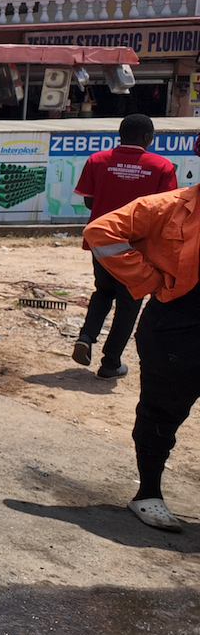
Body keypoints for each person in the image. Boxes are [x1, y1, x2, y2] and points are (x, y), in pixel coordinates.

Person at [82, 154, 200, 532]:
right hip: (176, 327)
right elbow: (100, 232)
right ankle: (148, 494)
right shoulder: (166, 206)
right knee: (162, 412)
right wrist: (148, 281)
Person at [71, 113, 176, 378]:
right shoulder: (162, 166)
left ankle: (86, 336)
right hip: (138, 247)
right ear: (147, 138)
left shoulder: (97, 160)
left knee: (103, 292)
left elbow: (88, 202)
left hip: (102, 241)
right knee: (129, 303)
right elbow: (166, 211)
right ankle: (110, 363)